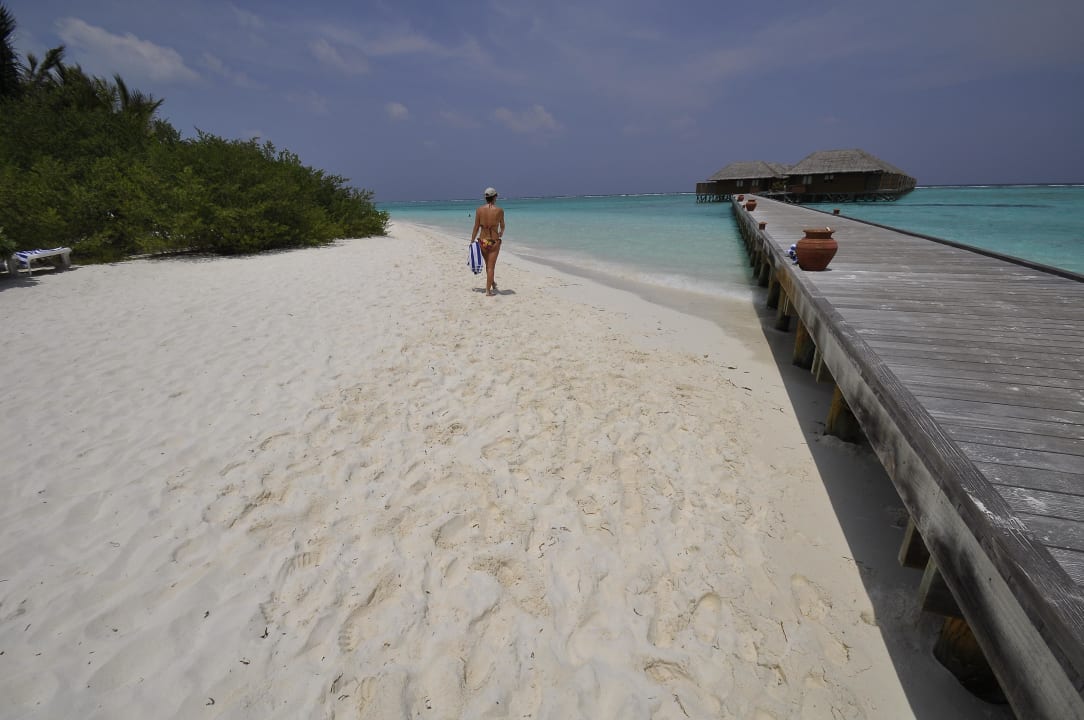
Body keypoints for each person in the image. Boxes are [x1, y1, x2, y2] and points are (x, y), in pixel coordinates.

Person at [470, 187, 505, 296]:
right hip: (494, 241)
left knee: (488, 265)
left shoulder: (479, 210)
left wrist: (472, 240)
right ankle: (488, 291)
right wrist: (501, 232)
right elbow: (502, 226)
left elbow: (476, 227)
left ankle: (492, 283)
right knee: (491, 267)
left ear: (486, 198)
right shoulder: (499, 211)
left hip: (483, 241)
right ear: (495, 197)